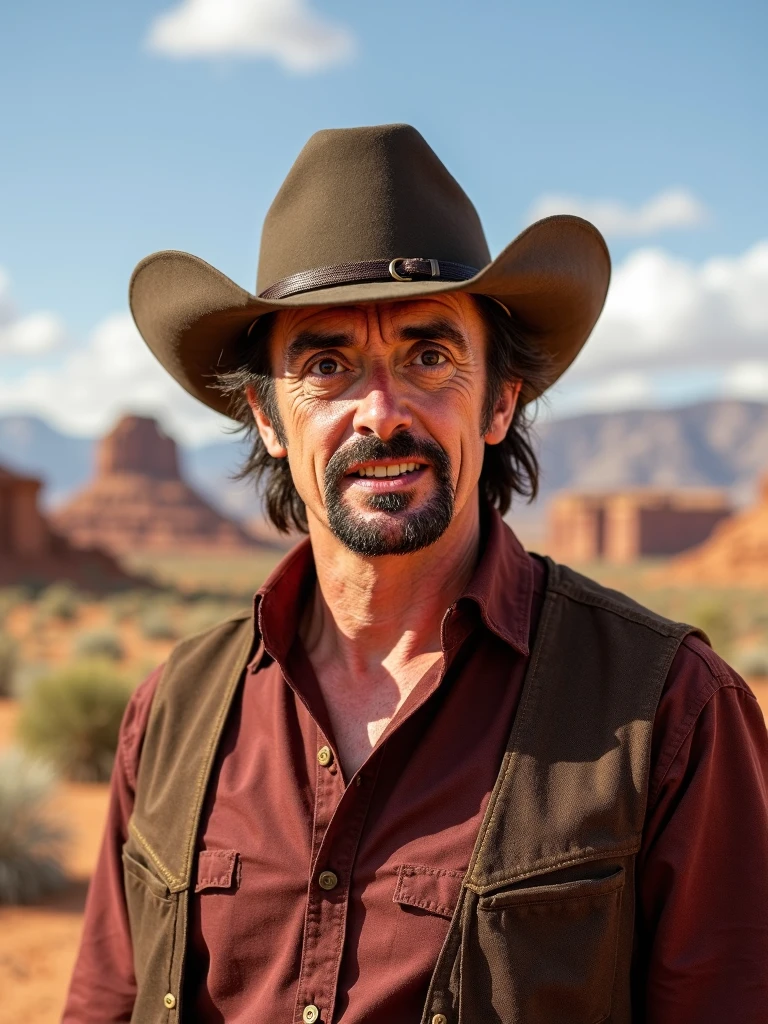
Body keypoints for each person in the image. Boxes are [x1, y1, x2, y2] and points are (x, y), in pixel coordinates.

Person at [62, 124, 768, 1024]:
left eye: (428, 356)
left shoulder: (670, 710)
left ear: (501, 400)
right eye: (325, 365)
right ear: (269, 416)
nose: (381, 414)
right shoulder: (171, 714)